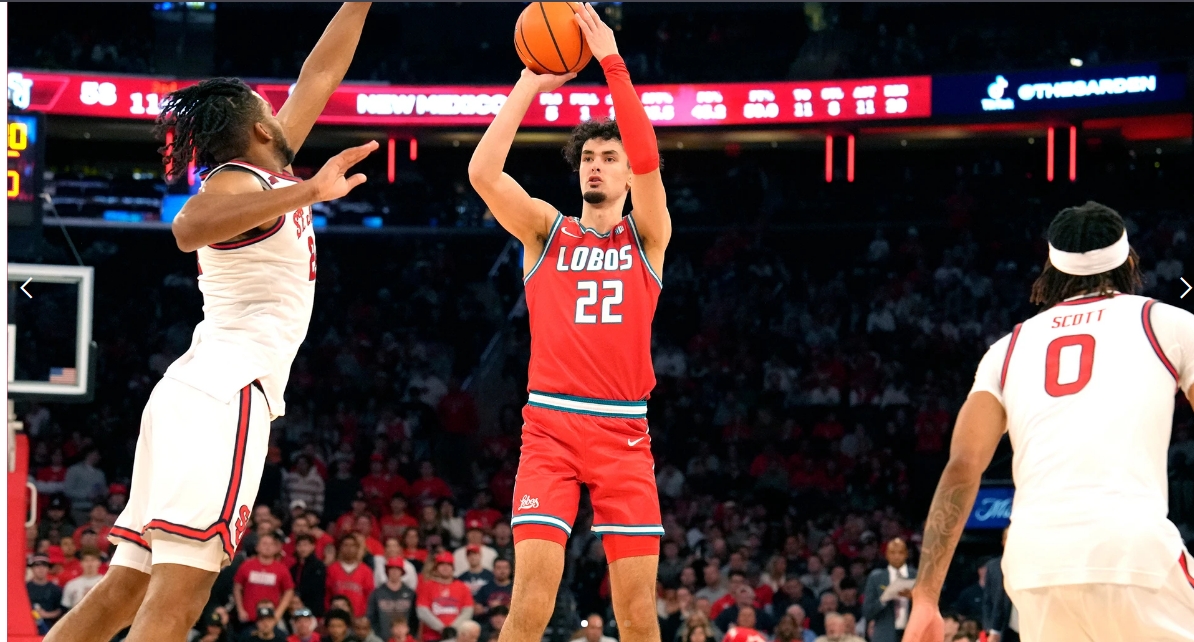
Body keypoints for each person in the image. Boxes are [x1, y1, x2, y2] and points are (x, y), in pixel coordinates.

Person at [39, 6, 375, 642]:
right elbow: (186, 228)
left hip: (190, 394)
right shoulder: (235, 184)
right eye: (268, 107)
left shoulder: (267, 170)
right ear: (256, 127)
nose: (282, 109)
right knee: (180, 597)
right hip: (226, 393)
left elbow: (322, 69)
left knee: (122, 593)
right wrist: (311, 193)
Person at [467, 6, 670, 642]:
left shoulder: (649, 237)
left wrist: (611, 60)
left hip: (623, 432)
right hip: (549, 428)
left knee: (636, 615)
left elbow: (649, 159)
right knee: (530, 602)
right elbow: (482, 173)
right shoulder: (544, 231)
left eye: (610, 157)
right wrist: (530, 79)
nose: (596, 166)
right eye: (587, 156)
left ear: (626, 173)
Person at [905, 202, 1194, 641]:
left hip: (1034, 563)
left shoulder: (1008, 348)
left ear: (1051, 267)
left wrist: (926, 597)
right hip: (1131, 550)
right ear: (1128, 259)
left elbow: (962, 468)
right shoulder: (1166, 321)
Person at [235, 533, 296, 626]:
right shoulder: (246, 566)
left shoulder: (282, 569)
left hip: (270, 618)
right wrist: (240, 610)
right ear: (257, 547)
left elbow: (289, 591)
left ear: (276, 548)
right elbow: (237, 588)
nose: (268, 547)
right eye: (264, 544)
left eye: (271, 544)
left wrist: (278, 613)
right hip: (248, 617)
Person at [862, 538, 915, 642]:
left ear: (906, 554)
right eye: (892, 552)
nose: (896, 556)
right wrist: (884, 599)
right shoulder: (876, 578)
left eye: (900, 552)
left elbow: (931, 605)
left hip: (912, 633)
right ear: (886, 554)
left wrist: (914, 597)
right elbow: (867, 612)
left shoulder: (916, 576)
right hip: (884, 635)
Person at [415, 552, 474, 642]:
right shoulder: (427, 586)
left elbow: (468, 610)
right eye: (442, 564)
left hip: (456, 636)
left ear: (453, 567)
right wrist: (441, 628)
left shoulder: (462, 587)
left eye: (448, 564)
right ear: (436, 568)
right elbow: (422, 611)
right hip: (431, 637)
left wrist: (453, 628)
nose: (445, 567)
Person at [980, 531, 1017, 642]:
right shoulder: (993, 566)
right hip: (1003, 627)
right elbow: (988, 600)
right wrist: (990, 629)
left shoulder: (1031, 564)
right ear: (1003, 542)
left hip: (1028, 624)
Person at [327, 535, 376, 617]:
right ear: (340, 548)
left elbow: (370, 596)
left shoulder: (366, 570)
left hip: (359, 618)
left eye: (352, 546)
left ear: (357, 549)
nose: (349, 549)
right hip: (336, 617)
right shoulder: (332, 569)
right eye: (345, 545)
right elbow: (327, 594)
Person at [367, 558, 416, 638]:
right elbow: (371, 617)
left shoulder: (410, 594)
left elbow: (414, 619)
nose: (394, 572)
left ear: (402, 572)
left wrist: (410, 636)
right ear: (387, 571)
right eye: (391, 569)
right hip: (382, 638)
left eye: (397, 569)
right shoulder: (377, 593)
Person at [28, 555, 64, 633]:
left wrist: (46, 614)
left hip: (48, 629)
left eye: (44, 565)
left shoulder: (55, 589)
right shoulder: (25, 588)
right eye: (37, 566)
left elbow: (60, 611)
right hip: (28, 627)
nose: (41, 569)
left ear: (48, 568)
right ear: (32, 568)